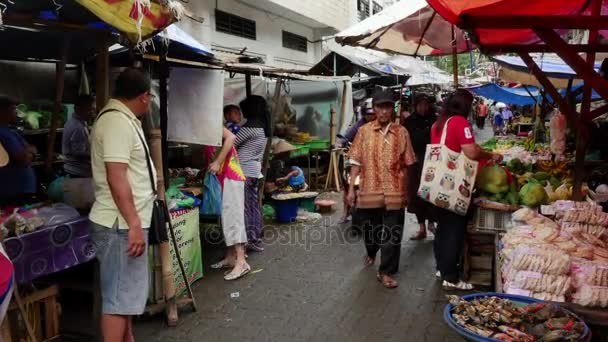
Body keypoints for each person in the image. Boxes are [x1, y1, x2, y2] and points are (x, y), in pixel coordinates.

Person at [89, 68, 156, 342]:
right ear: (143, 97)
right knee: (118, 301)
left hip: (124, 223)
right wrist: (134, 224)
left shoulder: (123, 119)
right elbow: (116, 177)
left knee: (124, 296)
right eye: (150, 96)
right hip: (120, 224)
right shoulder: (116, 122)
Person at [430, 89, 502, 290]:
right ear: (465, 106)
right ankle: (451, 277)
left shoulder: (439, 123)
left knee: (443, 227)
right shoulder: (460, 123)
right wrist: (490, 155)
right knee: (454, 228)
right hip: (454, 185)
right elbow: (470, 151)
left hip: (437, 184)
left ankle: (441, 268)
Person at [347, 89, 416, 289]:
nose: (384, 111)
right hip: (369, 189)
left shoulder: (401, 132)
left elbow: (409, 162)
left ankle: (386, 271)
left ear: (392, 108)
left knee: (393, 234)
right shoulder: (364, 131)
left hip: (395, 189)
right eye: (380, 107)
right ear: (374, 109)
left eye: (387, 107)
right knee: (371, 230)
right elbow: (355, 161)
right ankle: (371, 250)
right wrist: (351, 189)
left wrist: (409, 191)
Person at [208, 128, 251, 280]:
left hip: (231, 176)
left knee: (234, 219)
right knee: (227, 219)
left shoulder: (210, 120)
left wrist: (218, 162)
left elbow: (231, 137)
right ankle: (230, 257)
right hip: (224, 178)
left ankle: (241, 262)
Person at [236, 96, 270, 252]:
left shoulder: (249, 127)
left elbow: (230, 143)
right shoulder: (262, 127)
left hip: (244, 172)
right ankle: (255, 237)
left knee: (246, 207)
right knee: (253, 206)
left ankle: (249, 239)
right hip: (254, 171)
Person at [402, 94, 437, 241]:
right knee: (418, 195)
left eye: (425, 105)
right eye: (420, 105)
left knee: (432, 193)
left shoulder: (435, 119)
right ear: (415, 106)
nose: (423, 108)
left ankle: (431, 223)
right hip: (416, 162)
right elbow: (411, 139)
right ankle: (422, 227)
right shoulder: (410, 121)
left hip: (433, 161)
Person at [0, 95, 37, 204]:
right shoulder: (3, 134)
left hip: (19, 191)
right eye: (12, 109)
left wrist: (29, 151)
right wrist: (31, 152)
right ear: (2, 112)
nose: (16, 112)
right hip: (13, 193)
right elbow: (24, 159)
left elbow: (29, 148)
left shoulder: (11, 131)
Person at [63, 95, 95, 178]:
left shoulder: (75, 122)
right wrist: (96, 153)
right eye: (89, 109)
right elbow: (78, 152)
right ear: (78, 109)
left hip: (76, 171)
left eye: (92, 109)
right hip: (78, 172)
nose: (92, 112)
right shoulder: (77, 127)